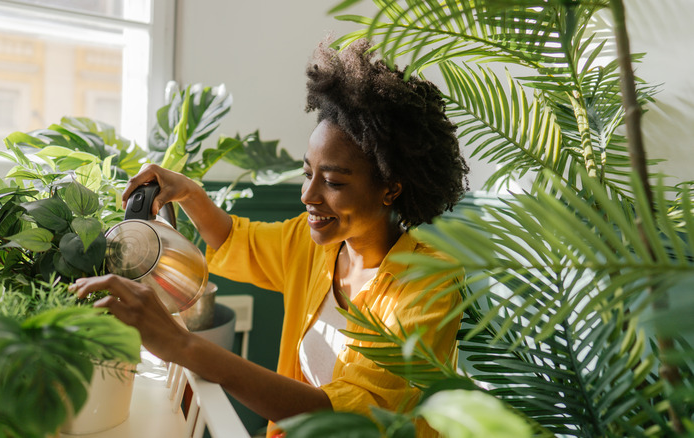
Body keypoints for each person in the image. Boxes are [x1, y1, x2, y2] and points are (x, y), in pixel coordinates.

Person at [70, 38, 469, 437]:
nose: (308, 195)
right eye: (307, 173)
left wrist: (184, 346)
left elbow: (348, 420)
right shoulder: (314, 246)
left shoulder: (429, 283)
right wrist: (190, 191)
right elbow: (235, 240)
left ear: (391, 188)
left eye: (331, 181)